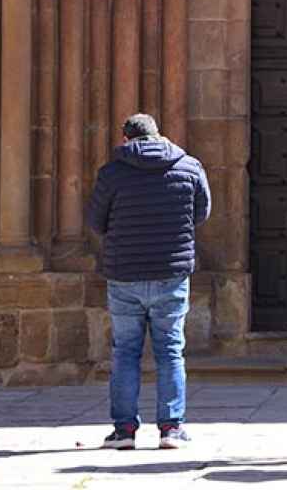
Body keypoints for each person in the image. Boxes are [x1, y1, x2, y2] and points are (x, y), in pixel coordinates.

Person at [86, 113, 211, 451]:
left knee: (125, 352)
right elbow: (202, 213)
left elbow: (96, 221)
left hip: (124, 273)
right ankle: (171, 429)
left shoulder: (111, 173)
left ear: (126, 139)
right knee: (171, 350)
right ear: (158, 135)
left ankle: (124, 431)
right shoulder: (189, 167)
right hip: (171, 273)